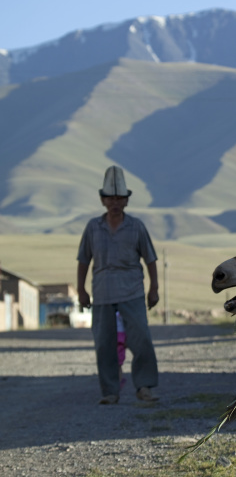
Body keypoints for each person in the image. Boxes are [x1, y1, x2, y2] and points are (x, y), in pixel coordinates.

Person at [77, 166, 160, 404]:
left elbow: (151, 259)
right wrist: (81, 289)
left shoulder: (136, 227)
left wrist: (153, 289)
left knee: (141, 338)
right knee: (104, 344)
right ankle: (110, 391)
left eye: (120, 198)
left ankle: (144, 386)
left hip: (131, 291)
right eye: (111, 198)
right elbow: (84, 259)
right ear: (103, 200)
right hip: (102, 292)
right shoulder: (93, 227)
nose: (115, 202)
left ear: (126, 201)